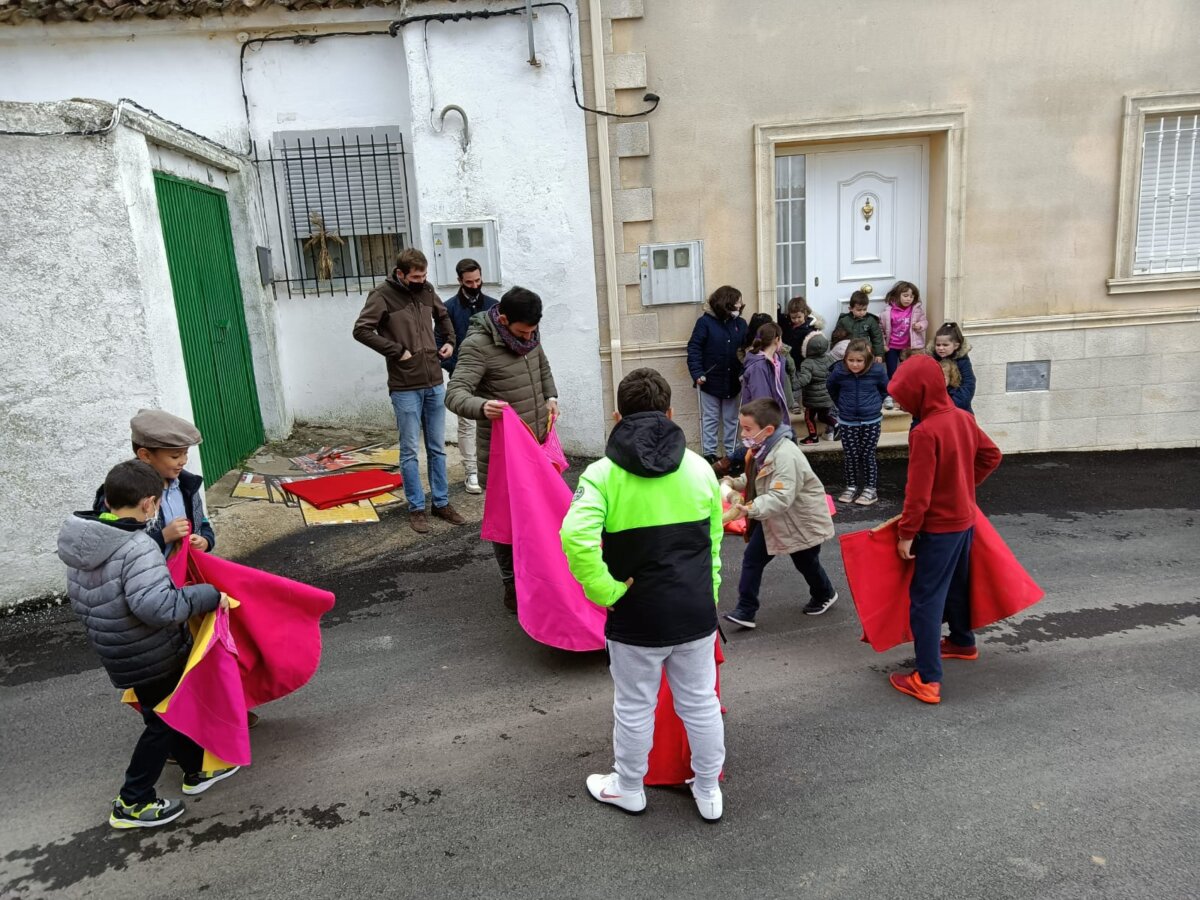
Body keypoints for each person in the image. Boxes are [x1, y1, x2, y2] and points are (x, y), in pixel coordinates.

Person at [560, 368, 725, 822]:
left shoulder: (602, 473)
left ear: (617, 416)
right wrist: (707, 594)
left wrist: (605, 591)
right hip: (694, 610)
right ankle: (709, 790)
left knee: (635, 705)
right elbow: (713, 542)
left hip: (636, 614)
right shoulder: (700, 468)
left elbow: (574, 535)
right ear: (671, 412)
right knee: (701, 701)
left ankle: (628, 787)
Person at [61, 460, 239, 829]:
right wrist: (207, 595)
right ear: (149, 504)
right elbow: (158, 607)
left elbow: (82, 599)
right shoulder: (137, 546)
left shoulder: (85, 541)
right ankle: (133, 799)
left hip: (116, 649)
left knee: (164, 710)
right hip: (151, 650)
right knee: (162, 723)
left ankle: (195, 770)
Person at [886, 355, 1002, 704]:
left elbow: (918, 494)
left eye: (903, 396)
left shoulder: (924, 431)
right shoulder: (962, 417)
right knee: (956, 585)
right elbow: (991, 455)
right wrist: (964, 489)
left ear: (919, 392)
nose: (901, 403)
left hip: (938, 529)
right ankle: (963, 641)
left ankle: (927, 678)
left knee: (924, 601)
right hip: (964, 521)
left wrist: (907, 532)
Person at [445, 286, 559, 614]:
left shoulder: (530, 336)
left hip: (536, 447)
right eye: (523, 331)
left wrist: (551, 397)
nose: (530, 337)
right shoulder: (477, 346)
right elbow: (454, 394)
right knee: (508, 522)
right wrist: (483, 407)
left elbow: (542, 368)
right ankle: (511, 584)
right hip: (503, 454)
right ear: (504, 320)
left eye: (534, 331)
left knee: (540, 516)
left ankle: (540, 577)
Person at [353, 248, 465, 533]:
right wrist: (396, 350)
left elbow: (443, 316)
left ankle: (441, 503)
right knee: (410, 451)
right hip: (404, 386)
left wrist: (450, 341)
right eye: (416, 276)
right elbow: (362, 330)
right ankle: (416, 507)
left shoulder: (426, 290)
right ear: (400, 274)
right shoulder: (381, 295)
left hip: (434, 382)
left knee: (438, 449)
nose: (422, 280)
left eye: (424, 275)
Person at [721, 398, 837, 629]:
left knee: (805, 561)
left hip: (797, 520)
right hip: (777, 518)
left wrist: (750, 508)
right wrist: (735, 483)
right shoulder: (763, 448)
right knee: (755, 560)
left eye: (747, 429)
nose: (743, 434)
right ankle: (746, 610)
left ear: (768, 430)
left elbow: (780, 496)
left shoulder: (786, 455)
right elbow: (758, 478)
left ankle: (824, 593)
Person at [93, 409, 215, 557]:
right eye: (175, 456)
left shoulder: (187, 486)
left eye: (185, 453)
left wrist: (205, 541)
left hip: (185, 575)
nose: (183, 461)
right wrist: (163, 537)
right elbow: (113, 551)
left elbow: (202, 522)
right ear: (145, 455)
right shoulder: (122, 492)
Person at [441, 258, 499, 496]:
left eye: (478, 280)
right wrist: (457, 367)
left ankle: (494, 468)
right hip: (463, 376)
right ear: (459, 281)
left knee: (493, 421)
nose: (475, 285)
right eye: (469, 282)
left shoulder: (494, 306)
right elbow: (442, 342)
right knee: (466, 424)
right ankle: (471, 471)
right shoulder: (448, 308)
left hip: (491, 375)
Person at [686, 285, 747, 475]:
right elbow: (694, 348)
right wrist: (697, 373)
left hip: (733, 380)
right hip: (710, 380)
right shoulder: (705, 323)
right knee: (710, 419)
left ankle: (731, 455)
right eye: (737, 301)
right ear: (726, 303)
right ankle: (709, 455)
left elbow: (747, 348)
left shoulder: (741, 324)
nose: (740, 304)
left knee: (731, 420)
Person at [827, 339, 890, 506]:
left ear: (867, 359)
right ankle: (851, 486)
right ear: (845, 359)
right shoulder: (839, 371)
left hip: (871, 420)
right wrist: (841, 404)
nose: (855, 364)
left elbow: (885, 389)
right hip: (848, 421)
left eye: (859, 361)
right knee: (851, 455)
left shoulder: (876, 371)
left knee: (867, 454)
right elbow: (831, 387)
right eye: (851, 360)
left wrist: (876, 403)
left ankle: (870, 489)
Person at [740, 322, 794, 441]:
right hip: (765, 422)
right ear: (777, 339)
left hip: (775, 419)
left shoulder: (778, 360)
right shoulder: (758, 367)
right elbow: (761, 400)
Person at [881, 281, 928, 409]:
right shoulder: (888, 312)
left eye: (912, 296)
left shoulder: (916, 310)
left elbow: (924, 321)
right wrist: (884, 344)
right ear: (897, 295)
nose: (909, 299)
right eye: (905, 295)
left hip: (909, 347)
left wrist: (920, 326)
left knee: (909, 371)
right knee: (892, 371)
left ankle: (908, 395)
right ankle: (891, 395)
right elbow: (881, 329)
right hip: (892, 347)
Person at [794, 332, 838, 444]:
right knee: (823, 416)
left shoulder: (807, 363)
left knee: (809, 417)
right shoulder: (829, 359)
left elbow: (805, 379)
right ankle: (836, 424)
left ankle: (813, 437)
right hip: (827, 396)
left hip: (812, 399)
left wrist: (793, 385)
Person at [927, 321, 976, 414]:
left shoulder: (963, 361)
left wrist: (952, 405)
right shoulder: (931, 360)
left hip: (958, 408)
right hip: (934, 407)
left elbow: (968, 385)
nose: (941, 348)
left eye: (945, 345)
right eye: (938, 345)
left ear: (956, 345)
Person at [835, 291, 885, 362]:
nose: (862, 312)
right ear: (851, 309)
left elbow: (877, 338)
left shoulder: (871, 320)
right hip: (849, 352)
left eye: (864, 309)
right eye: (859, 310)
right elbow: (837, 338)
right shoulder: (844, 320)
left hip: (866, 352)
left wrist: (879, 354)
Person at [778, 295, 819, 373]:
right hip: (787, 358)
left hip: (799, 362)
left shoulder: (809, 330)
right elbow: (780, 319)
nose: (796, 320)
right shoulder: (788, 323)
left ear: (805, 313)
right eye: (793, 318)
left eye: (799, 317)